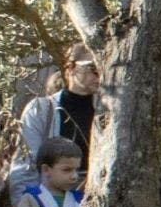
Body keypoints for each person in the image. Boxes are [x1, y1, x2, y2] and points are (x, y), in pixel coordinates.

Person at [7, 44, 101, 196]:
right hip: (53, 201)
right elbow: (25, 166)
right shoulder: (41, 110)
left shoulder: (110, 110)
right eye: (92, 67)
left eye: (102, 66)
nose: (99, 74)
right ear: (70, 69)